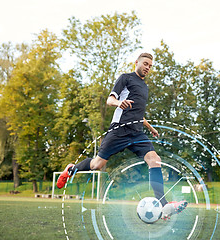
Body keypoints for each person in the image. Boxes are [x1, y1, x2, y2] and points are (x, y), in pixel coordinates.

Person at [56, 53, 187, 220]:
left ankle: (163, 204)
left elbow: (139, 113)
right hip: (119, 130)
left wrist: (150, 127)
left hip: (137, 132)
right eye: (145, 64)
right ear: (137, 63)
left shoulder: (144, 87)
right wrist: (119, 103)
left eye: (150, 66)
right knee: (97, 164)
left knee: (155, 159)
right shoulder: (125, 78)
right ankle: (71, 169)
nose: (147, 67)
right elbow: (110, 100)